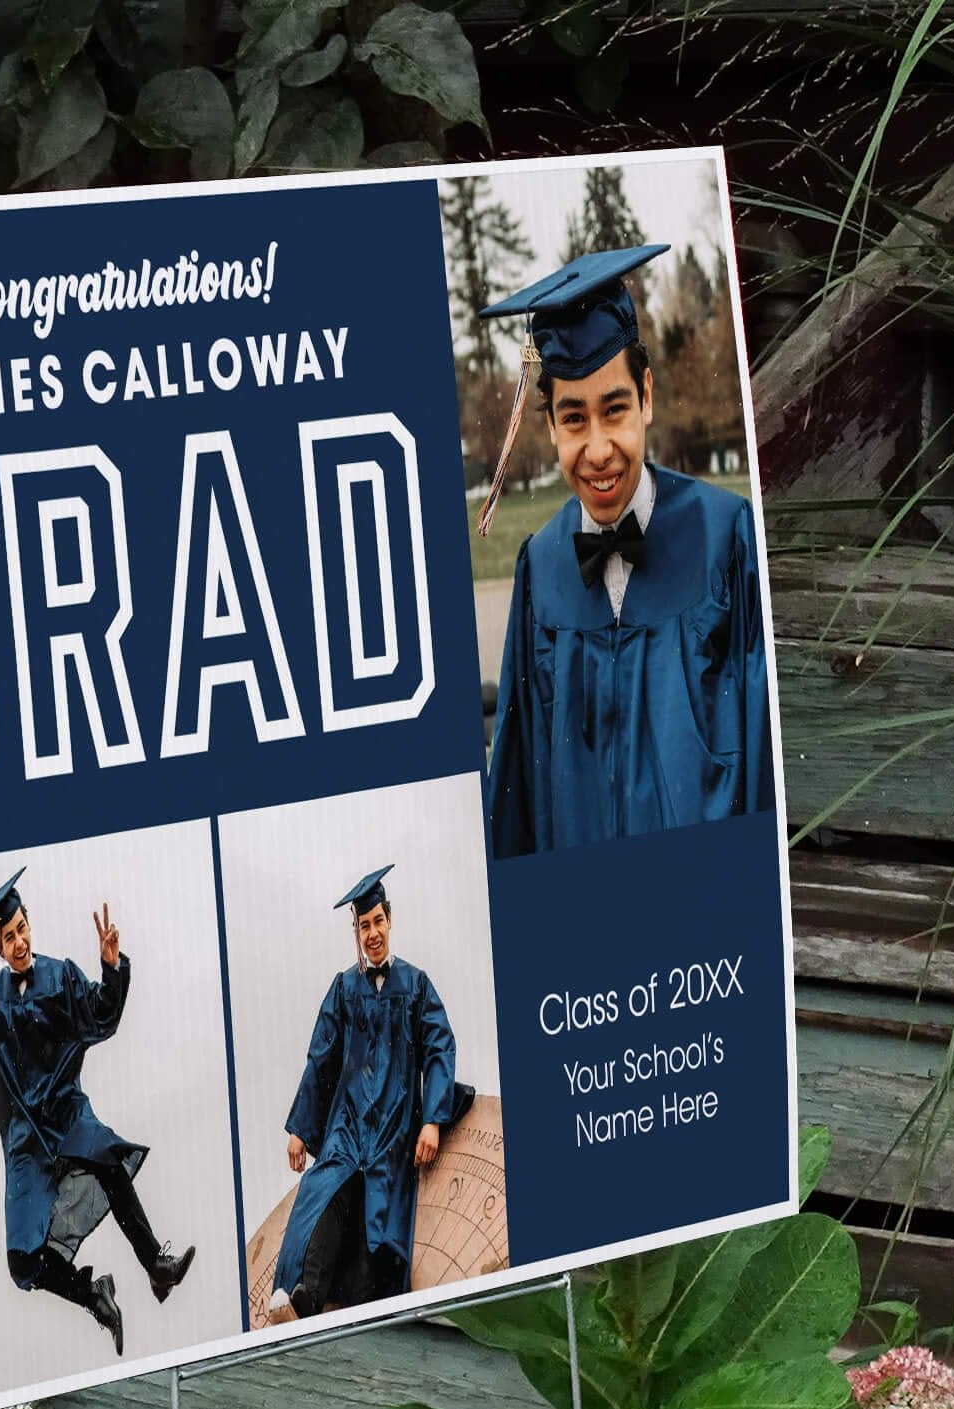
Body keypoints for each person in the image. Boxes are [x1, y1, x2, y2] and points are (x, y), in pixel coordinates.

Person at [478, 245, 775, 859]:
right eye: (574, 419)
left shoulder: (724, 538)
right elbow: (517, 797)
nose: (598, 449)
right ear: (552, 427)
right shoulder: (542, 568)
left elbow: (766, 760)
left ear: (646, 396)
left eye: (614, 410)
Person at [0, 867, 194, 1354]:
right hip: (26, 1141)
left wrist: (111, 968)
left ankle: (156, 1265)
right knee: (23, 1265)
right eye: (8, 937)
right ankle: (94, 1295)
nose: (18, 941)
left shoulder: (62, 978)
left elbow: (103, 1017)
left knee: (108, 1161)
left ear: (30, 925)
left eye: (21, 929)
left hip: (66, 1114)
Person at [266, 867, 473, 1325]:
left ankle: (346, 1306)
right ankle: (303, 1298)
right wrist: (301, 1129)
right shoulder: (343, 989)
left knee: (374, 1237)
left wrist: (433, 1119)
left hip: (394, 1129)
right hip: (347, 1124)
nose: (373, 933)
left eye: (378, 921)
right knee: (327, 1192)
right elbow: (321, 1057)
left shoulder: (415, 985)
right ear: (356, 932)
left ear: (390, 921)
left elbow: (440, 1046)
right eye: (364, 925)